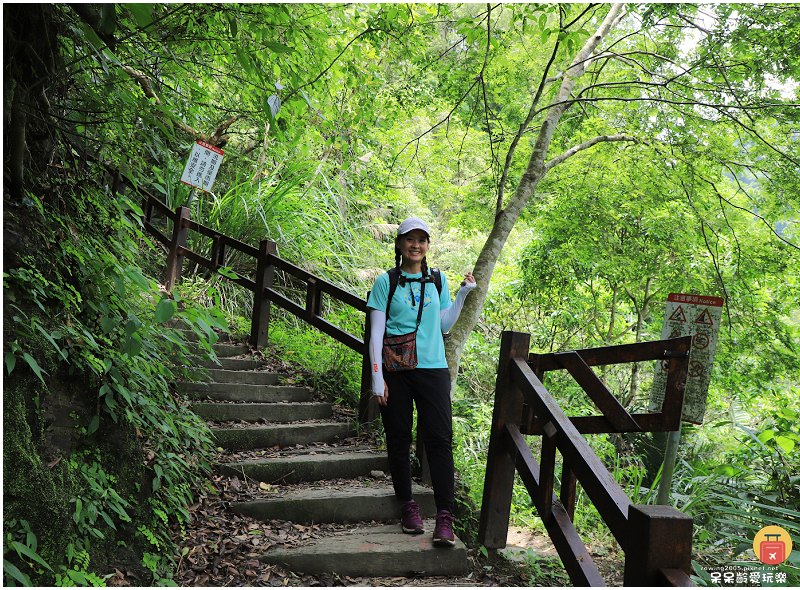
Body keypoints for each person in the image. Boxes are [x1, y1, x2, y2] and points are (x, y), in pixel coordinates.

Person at [366, 217, 476, 547]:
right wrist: (376, 379)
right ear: (399, 245)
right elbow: (375, 334)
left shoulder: (437, 279)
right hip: (396, 372)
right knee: (399, 439)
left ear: (428, 245)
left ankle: (445, 516)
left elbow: (444, 322)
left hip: (433, 369)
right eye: (409, 239)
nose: (416, 244)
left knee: (440, 440)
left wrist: (463, 294)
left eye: (422, 239)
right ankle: (408, 507)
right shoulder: (386, 282)